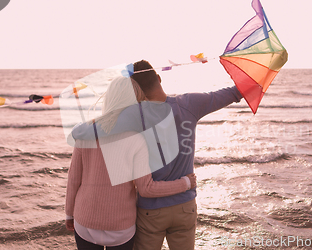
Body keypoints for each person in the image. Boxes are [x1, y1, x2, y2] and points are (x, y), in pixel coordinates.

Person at [71, 60, 243, 250]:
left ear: (134, 91)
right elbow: (234, 93)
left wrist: (80, 132)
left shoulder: (133, 115)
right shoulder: (190, 104)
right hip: (185, 205)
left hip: (150, 210)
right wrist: (252, 81)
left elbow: (96, 129)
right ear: (159, 78)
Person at [65, 76, 197, 250]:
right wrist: (185, 183)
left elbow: (74, 180)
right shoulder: (137, 139)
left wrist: (69, 214)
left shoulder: (86, 133)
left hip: (85, 221)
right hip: (120, 226)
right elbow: (147, 188)